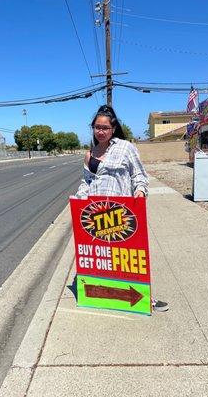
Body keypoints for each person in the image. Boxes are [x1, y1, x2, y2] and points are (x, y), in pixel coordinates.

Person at [76, 104, 168, 312]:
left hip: (121, 212)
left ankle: (146, 299)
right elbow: (86, 182)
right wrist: (78, 199)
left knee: (128, 258)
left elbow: (139, 176)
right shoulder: (89, 154)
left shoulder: (126, 148)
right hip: (96, 214)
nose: (100, 131)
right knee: (103, 258)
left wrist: (141, 191)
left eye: (105, 128)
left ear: (113, 128)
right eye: (97, 127)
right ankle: (109, 296)